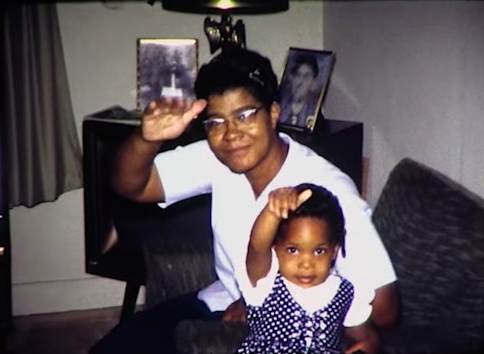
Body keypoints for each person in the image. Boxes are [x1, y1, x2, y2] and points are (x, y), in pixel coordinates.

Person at [90, 47, 398, 354]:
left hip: (288, 331)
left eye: (245, 115)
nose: (231, 134)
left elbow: (384, 308)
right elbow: (132, 185)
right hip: (220, 299)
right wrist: (147, 139)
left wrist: (275, 301)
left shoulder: (327, 188)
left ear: (273, 114)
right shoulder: (219, 159)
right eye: (216, 122)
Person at [237, 183, 379, 354]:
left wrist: (370, 343)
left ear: (334, 251)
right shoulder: (264, 285)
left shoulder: (345, 292)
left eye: (319, 251)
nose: (306, 264)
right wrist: (272, 211)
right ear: (275, 248)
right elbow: (257, 247)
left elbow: (364, 335)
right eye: (293, 250)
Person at [278, 53, 321, 130]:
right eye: (297, 75)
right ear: (292, 78)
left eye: (306, 76)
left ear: (313, 82)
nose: (300, 82)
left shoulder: (313, 112)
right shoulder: (280, 108)